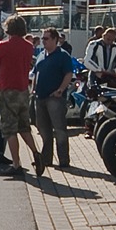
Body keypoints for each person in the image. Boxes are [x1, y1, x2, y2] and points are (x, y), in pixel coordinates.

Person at [0, 15, 37, 174]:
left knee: (9, 129)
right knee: (24, 126)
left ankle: (16, 164)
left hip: (7, 89)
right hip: (23, 89)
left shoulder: (3, 45)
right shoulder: (28, 46)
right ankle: (36, 153)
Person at [31, 27, 75, 176]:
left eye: (46, 38)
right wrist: (34, 89)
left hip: (55, 98)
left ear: (55, 39)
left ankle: (63, 159)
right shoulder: (41, 55)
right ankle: (46, 158)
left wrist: (61, 90)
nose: (43, 41)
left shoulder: (63, 56)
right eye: (42, 38)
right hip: (40, 97)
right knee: (43, 130)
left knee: (60, 129)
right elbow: (37, 73)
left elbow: (68, 74)